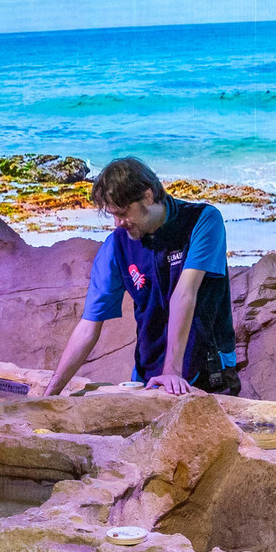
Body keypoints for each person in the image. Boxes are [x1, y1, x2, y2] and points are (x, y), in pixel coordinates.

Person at [42, 157, 241, 397]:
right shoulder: (116, 246)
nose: (118, 223)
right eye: (113, 215)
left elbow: (185, 293)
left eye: (123, 213)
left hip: (208, 370)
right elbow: (88, 326)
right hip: (149, 375)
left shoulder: (202, 221)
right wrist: (50, 394)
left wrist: (172, 373)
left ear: (147, 196)